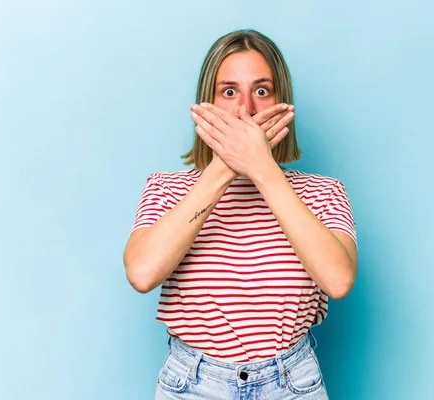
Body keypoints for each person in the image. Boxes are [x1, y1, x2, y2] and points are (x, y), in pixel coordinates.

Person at [123, 29, 357, 399]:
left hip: (292, 384)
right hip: (192, 386)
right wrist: (223, 168)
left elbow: (339, 281)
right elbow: (141, 273)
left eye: (262, 91)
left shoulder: (323, 193)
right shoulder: (166, 189)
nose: (245, 108)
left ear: (284, 103)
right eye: (228, 92)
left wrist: (263, 170)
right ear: (206, 105)